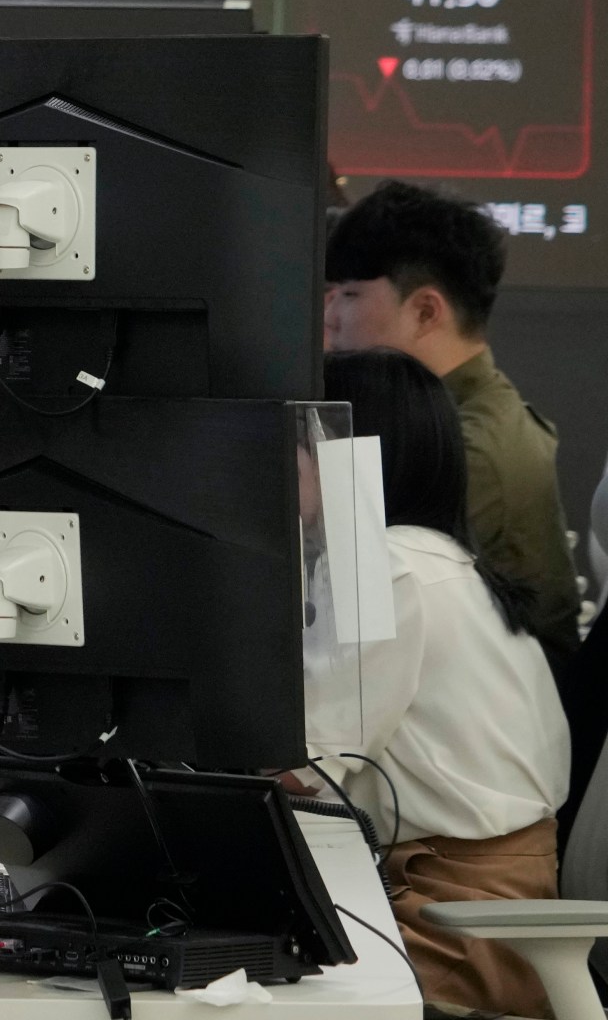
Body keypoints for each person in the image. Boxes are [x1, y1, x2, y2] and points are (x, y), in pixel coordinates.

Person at [307, 348, 570, 1020]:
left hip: (460, 924)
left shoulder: (384, 566)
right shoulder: (430, 556)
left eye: (301, 437)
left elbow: (305, 765)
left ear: (350, 455)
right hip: (473, 898)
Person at [324, 179, 579, 663]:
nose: (331, 317)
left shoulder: (466, 450)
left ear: (424, 311)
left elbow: (352, 606)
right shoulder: (459, 416)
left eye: (350, 295)